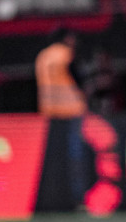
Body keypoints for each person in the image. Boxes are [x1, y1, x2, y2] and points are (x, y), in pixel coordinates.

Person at [35, 27, 88, 207]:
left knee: (51, 157)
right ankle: (77, 198)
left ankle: (50, 198)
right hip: (72, 111)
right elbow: (79, 79)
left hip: (49, 112)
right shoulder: (66, 54)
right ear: (66, 38)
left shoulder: (43, 56)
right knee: (75, 156)